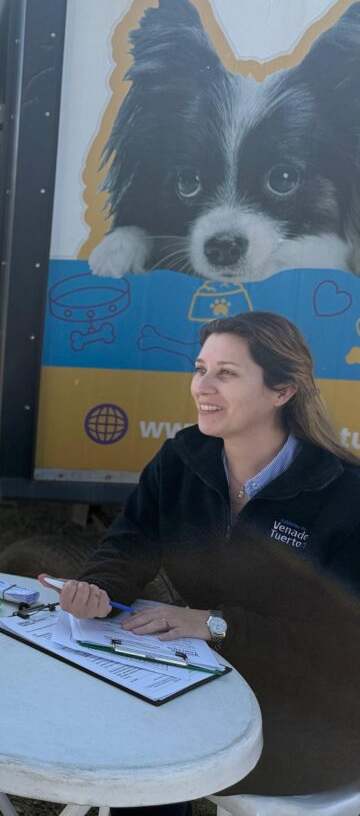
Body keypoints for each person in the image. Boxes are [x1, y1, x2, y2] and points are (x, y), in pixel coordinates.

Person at [44, 311, 360, 816]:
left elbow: (342, 645)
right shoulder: (183, 457)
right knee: (103, 712)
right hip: (204, 676)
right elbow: (131, 542)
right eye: (200, 368)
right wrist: (98, 586)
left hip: (316, 715)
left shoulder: (344, 493)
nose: (202, 387)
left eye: (226, 373)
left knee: (150, 750)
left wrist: (215, 625)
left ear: (282, 390)